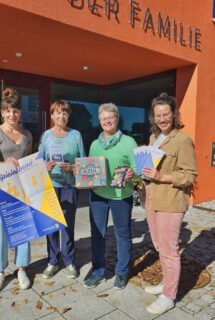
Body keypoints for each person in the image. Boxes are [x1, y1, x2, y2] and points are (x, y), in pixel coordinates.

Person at [142, 93, 197, 315]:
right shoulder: (155, 138)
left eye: (166, 114)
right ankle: (167, 283)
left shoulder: (182, 140)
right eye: (158, 115)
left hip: (171, 201)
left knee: (170, 250)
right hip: (153, 199)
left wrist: (161, 177)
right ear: (153, 117)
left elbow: (190, 175)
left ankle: (169, 297)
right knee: (159, 246)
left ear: (174, 115)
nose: (162, 119)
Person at [84, 103, 137, 290]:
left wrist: (132, 173)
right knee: (97, 235)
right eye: (103, 118)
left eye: (110, 117)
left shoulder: (129, 142)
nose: (107, 121)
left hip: (121, 196)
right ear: (99, 121)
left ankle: (122, 273)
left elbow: (137, 169)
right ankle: (98, 271)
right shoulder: (94, 144)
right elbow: (90, 170)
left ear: (117, 119)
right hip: (98, 196)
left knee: (122, 235)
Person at [0, 88, 32, 293]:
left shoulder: (27, 134)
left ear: (20, 113)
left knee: (23, 228)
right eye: (8, 111)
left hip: (21, 188)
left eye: (15, 111)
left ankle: (21, 268)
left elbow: (28, 162)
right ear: (2, 113)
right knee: (0, 232)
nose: (12, 115)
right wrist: (6, 163)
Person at [38, 100, 85, 279]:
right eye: (57, 112)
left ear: (68, 115)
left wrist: (72, 167)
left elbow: (84, 163)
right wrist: (46, 167)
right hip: (50, 186)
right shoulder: (46, 136)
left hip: (69, 187)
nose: (61, 116)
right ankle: (52, 261)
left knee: (67, 224)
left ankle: (69, 260)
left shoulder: (76, 135)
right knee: (51, 225)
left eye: (65, 113)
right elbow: (38, 162)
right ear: (51, 115)